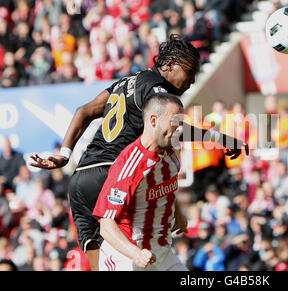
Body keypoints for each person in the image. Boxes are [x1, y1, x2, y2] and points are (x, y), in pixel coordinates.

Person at [29, 34, 248, 270]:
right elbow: (173, 127)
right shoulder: (158, 89)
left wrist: (64, 154)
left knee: (101, 265)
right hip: (114, 176)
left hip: (82, 178)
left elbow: (84, 110)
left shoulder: (126, 82)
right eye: (190, 72)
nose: (192, 81)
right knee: (141, 252)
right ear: (171, 64)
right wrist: (221, 138)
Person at [92, 93, 187, 271]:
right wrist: (136, 253)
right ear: (153, 121)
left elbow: (166, 186)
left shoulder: (172, 148)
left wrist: (178, 215)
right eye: (174, 122)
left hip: (162, 253)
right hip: (125, 257)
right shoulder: (130, 165)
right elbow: (106, 225)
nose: (179, 128)